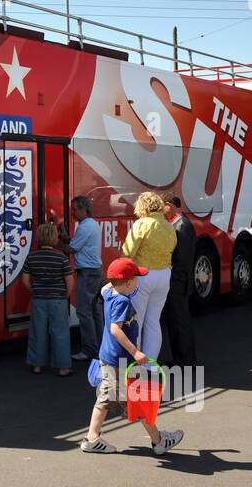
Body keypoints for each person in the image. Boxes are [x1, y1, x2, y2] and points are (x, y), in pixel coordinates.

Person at [80, 257, 185, 455]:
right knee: (137, 402)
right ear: (128, 283)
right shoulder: (122, 301)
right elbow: (115, 329)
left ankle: (92, 438)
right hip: (121, 361)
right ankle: (159, 441)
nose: (138, 282)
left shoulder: (109, 292)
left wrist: (113, 280)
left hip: (109, 357)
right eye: (136, 279)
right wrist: (135, 351)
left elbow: (107, 286)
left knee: (107, 397)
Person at [120, 191, 176, 360]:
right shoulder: (169, 226)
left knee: (136, 320)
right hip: (164, 275)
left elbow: (128, 253)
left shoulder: (141, 224)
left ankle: (135, 363)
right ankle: (150, 363)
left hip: (143, 275)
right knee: (154, 321)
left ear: (142, 206)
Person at [21, 222, 75, 375]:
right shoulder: (61, 258)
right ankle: (63, 368)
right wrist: (65, 294)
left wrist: (35, 291)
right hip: (57, 300)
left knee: (37, 332)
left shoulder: (32, 257)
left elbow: (25, 280)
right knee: (60, 333)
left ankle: (37, 365)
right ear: (54, 238)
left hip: (39, 299)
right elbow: (70, 280)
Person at [65, 195, 104, 361]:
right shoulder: (93, 224)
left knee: (84, 312)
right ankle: (100, 346)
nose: (72, 213)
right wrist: (66, 238)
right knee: (95, 312)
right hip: (96, 272)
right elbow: (79, 244)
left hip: (87, 273)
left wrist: (52, 244)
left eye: (74, 209)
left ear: (83, 209)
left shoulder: (83, 227)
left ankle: (89, 349)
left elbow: (72, 249)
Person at [160, 192, 197, 371]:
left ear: (169, 204)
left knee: (180, 322)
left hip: (178, 282)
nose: (161, 211)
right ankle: (179, 360)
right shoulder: (178, 224)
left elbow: (180, 259)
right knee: (174, 322)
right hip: (177, 281)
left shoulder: (181, 225)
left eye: (162, 207)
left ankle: (185, 362)